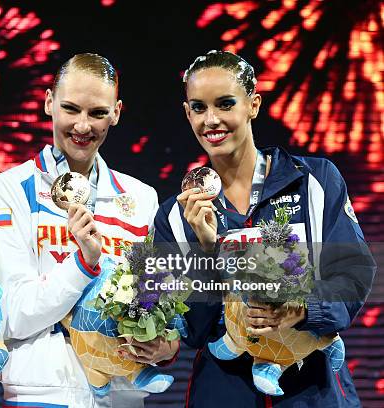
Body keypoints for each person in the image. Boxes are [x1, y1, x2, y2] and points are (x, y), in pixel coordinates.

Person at [154, 50, 376, 407]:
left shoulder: (314, 181)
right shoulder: (175, 217)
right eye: (198, 107)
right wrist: (208, 251)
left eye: (225, 104)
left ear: (253, 104)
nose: (211, 120)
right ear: (187, 113)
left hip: (313, 392)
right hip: (224, 394)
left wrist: (302, 309)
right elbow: (193, 329)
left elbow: (353, 275)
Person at [0, 53, 175, 407]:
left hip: (123, 396)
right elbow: (14, 313)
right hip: (43, 392)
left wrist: (163, 346)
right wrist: (84, 264)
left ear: (116, 112)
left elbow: (156, 305)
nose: (83, 126)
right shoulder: (12, 187)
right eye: (71, 109)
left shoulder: (141, 197)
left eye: (97, 113)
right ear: (48, 102)